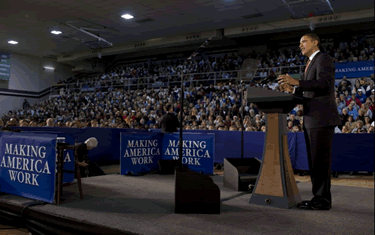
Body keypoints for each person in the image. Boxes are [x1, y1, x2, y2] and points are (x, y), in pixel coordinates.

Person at [277, 33, 341, 210]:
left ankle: (322, 200)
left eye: (304, 41)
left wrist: (297, 81)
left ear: (315, 42)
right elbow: (309, 93)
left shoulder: (323, 58)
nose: (300, 45)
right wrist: (292, 89)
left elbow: (324, 84)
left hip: (321, 119)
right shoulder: (309, 64)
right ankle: (318, 198)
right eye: (299, 43)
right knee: (315, 163)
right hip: (312, 120)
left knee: (320, 163)